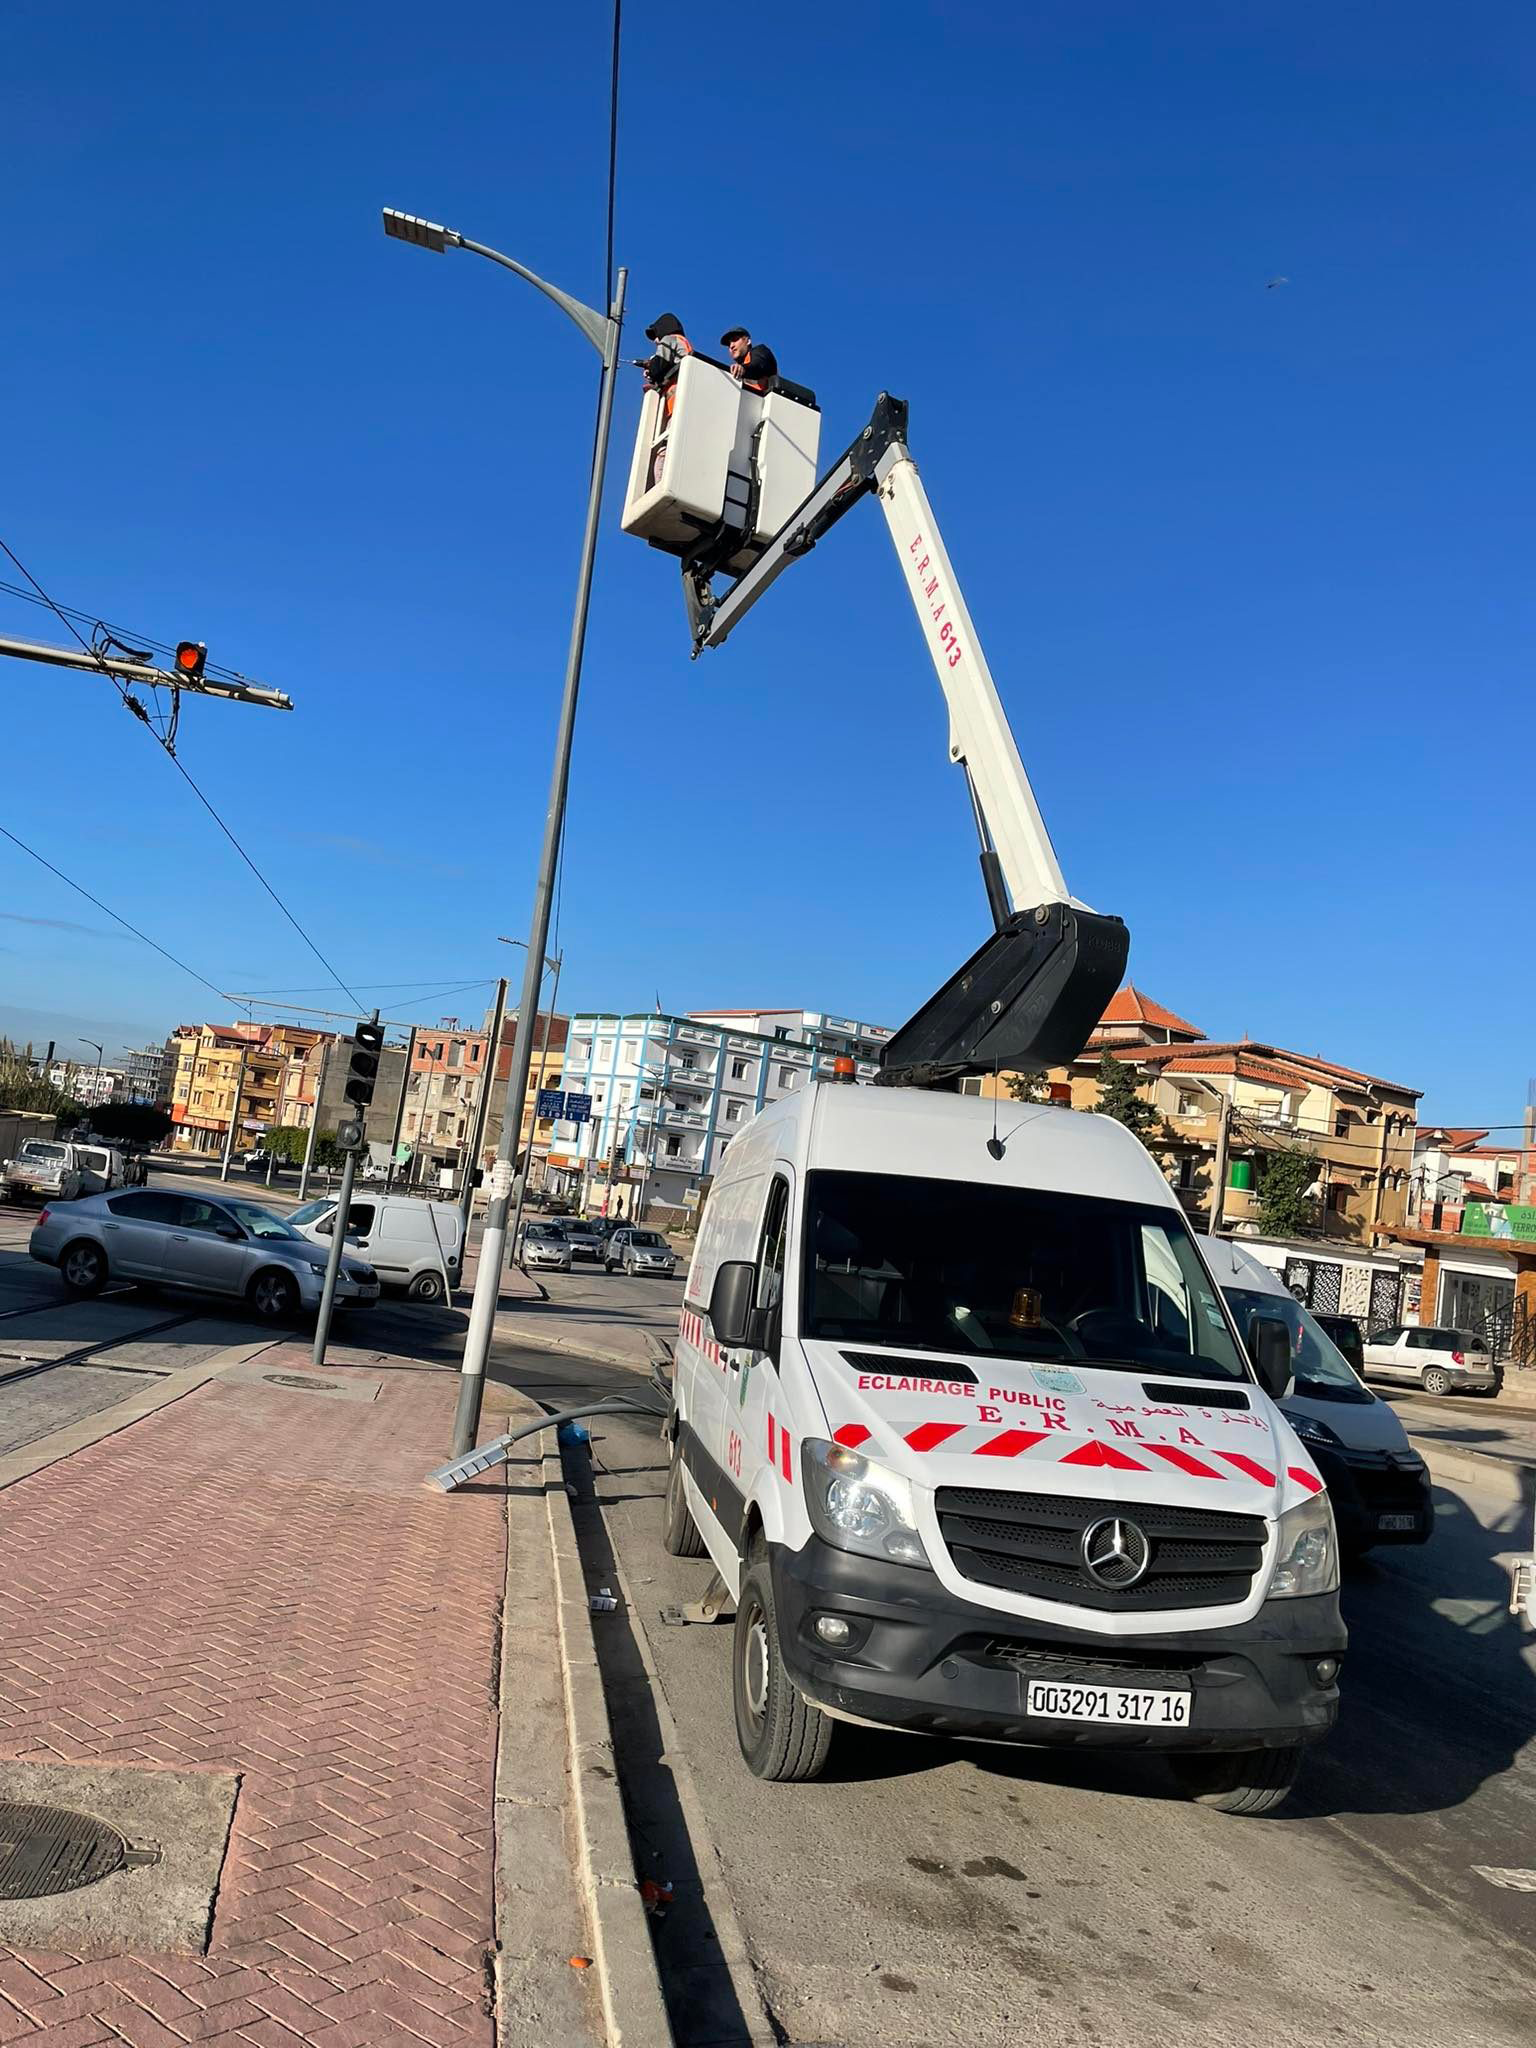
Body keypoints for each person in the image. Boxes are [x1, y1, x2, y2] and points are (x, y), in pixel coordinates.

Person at [637, 313, 693, 415]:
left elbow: (658, 367)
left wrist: (652, 368)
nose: (655, 341)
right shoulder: (683, 342)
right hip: (686, 398)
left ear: (663, 328)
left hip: (674, 398)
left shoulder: (669, 339)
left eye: (655, 335)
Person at [721, 326, 779, 392]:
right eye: (729, 344)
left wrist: (743, 369)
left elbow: (758, 365)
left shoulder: (760, 351)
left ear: (748, 341)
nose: (731, 346)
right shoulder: (736, 372)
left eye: (735, 340)